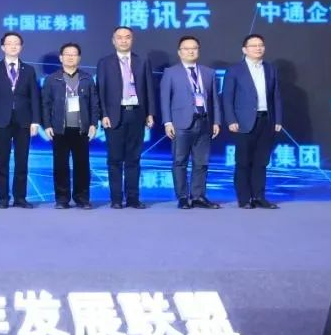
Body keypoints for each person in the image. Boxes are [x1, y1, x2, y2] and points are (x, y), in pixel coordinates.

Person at [96, 26, 157, 209]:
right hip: (115, 115)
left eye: (127, 37)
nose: (123, 40)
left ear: (132, 40)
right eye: (120, 37)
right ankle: (116, 199)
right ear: (113, 41)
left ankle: (133, 198)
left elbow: (149, 88)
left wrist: (150, 113)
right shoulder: (104, 63)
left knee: (134, 158)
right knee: (114, 159)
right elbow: (100, 90)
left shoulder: (142, 61)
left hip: (136, 113)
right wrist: (103, 114)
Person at [222, 34, 284, 209]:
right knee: (243, 161)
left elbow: (276, 96)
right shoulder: (235, 70)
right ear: (244, 50)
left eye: (261, 45)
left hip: (266, 120)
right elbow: (227, 98)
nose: (258, 48)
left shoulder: (270, 69)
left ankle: (259, 197)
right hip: (243, 122)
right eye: (254, 45)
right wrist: (231, 119)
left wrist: (278, 119)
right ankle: (244, 199)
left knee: (261, 161)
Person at [160, 36, 221, 210]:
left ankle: (198, 196)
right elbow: (164, 99)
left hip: (204, 122)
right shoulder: (171, 73)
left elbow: (214, 100)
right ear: (179, 52)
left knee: (201, 162)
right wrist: (167, 122)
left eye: (194, 48)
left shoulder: (208, 72)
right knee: (180, 161)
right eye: (186, 49)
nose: (191, 51)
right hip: (180, 123)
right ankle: (182, 197)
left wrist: (216, 121)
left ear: (198, 51)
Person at [0, 31, 41, 209]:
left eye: (16, 43)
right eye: (9, 43)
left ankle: (20, 198)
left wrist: (35, 121)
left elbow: (34, 97)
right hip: (1, 120)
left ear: (21, 47)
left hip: (24, 121)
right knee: (2, 161)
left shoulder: (29, 70)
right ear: (3, 47)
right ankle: (3, 198)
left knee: (22, 161)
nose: (13, 46)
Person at [41, 43, 100, 209]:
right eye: (67, 54)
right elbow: (45, 104)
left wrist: (94, 124)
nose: (70, 57)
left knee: (82, 165)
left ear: (79, 58)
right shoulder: (52, 79)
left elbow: (94, 104)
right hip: (60, 129)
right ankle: (62, 199)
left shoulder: (87, 79)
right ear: (61, 58)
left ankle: (82, 198)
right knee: (60, 166)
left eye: (74, 54)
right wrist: (47, 125)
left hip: (82, 129)